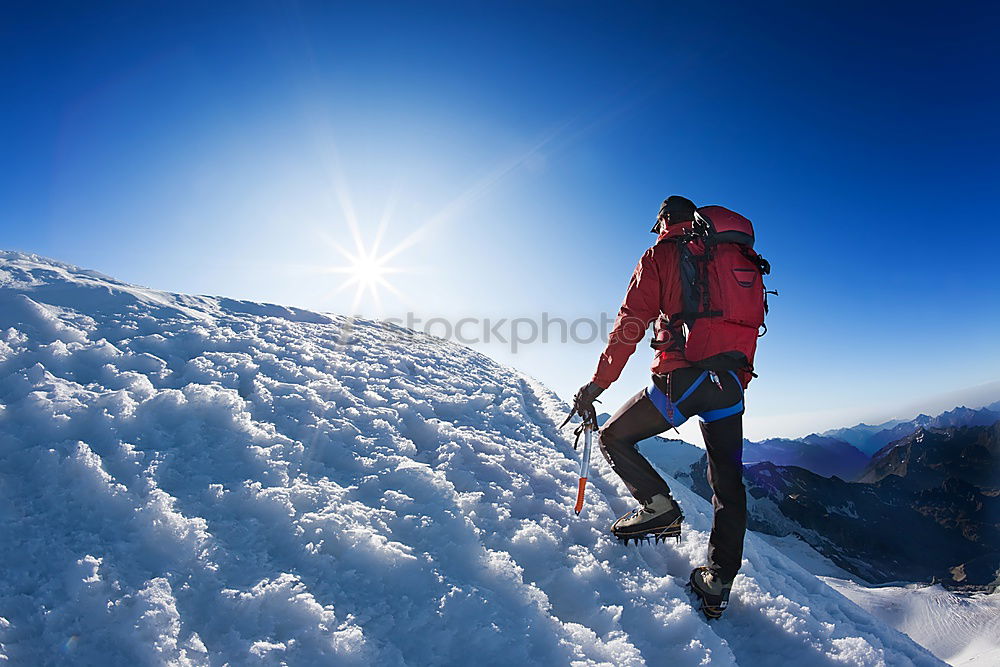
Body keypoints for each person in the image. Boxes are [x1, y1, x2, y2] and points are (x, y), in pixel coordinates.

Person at [569, 195, 768, 619]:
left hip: (684, 383)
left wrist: (598, 384)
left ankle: (659, 507)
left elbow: (631, 324)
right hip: (730, 387)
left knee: (614, 436)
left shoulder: (661, 254)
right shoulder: (735, 257)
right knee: (728, 485)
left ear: (663, 220)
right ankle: (718, 582)